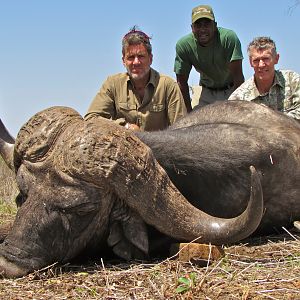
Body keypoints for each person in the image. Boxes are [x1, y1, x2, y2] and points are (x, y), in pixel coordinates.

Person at [85, 27, 187, 131]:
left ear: (151, 59)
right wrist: (125, 127)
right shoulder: (112, 84)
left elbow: (181, 129)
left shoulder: (167, 85)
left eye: (141, 56)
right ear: (123, 61)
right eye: (131, 57)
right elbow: (91, 119)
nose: (136, 62)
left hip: (158, 146)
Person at [174, 4, 244, 112]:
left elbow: (238, 77)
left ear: (215, 25)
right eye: (198, 25)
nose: (202, 29)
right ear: (192, 28)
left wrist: (236, 104)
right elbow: (181, 82)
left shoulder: (228, 38)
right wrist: (188, 111)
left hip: (231, 90)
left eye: (207, 24)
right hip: (206, 92)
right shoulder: (184, 45)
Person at [228, 36, 300, 121]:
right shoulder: (238, 98)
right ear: (250, 63)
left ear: (276, 59)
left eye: (266, 59)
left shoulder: (293, 81)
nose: (261, 65)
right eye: (256, 60)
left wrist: (272, 121)